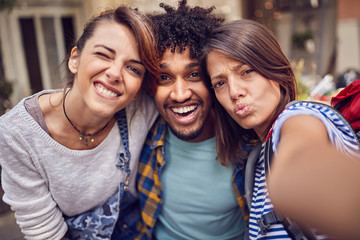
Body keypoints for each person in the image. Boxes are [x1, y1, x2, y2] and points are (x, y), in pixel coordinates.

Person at [0, 6, 159, 240]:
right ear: (75, 60)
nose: (115, 73)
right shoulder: (17, 133)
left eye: (133, 68)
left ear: (139, 89)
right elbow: (45, 232)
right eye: (104, 55)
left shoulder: (141, 108)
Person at [201, 19, 360, 239]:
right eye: (220, 83)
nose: (234, 91)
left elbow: (301, 151)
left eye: (246, 71)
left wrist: (293, 171)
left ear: (276, 71)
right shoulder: (258, 152)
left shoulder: (296, 119)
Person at [136, 1, 250, 239]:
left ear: (212, 79)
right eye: (164, 77)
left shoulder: (248, 141)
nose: (180, 94)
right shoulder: (140, 133)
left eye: (194, 74)